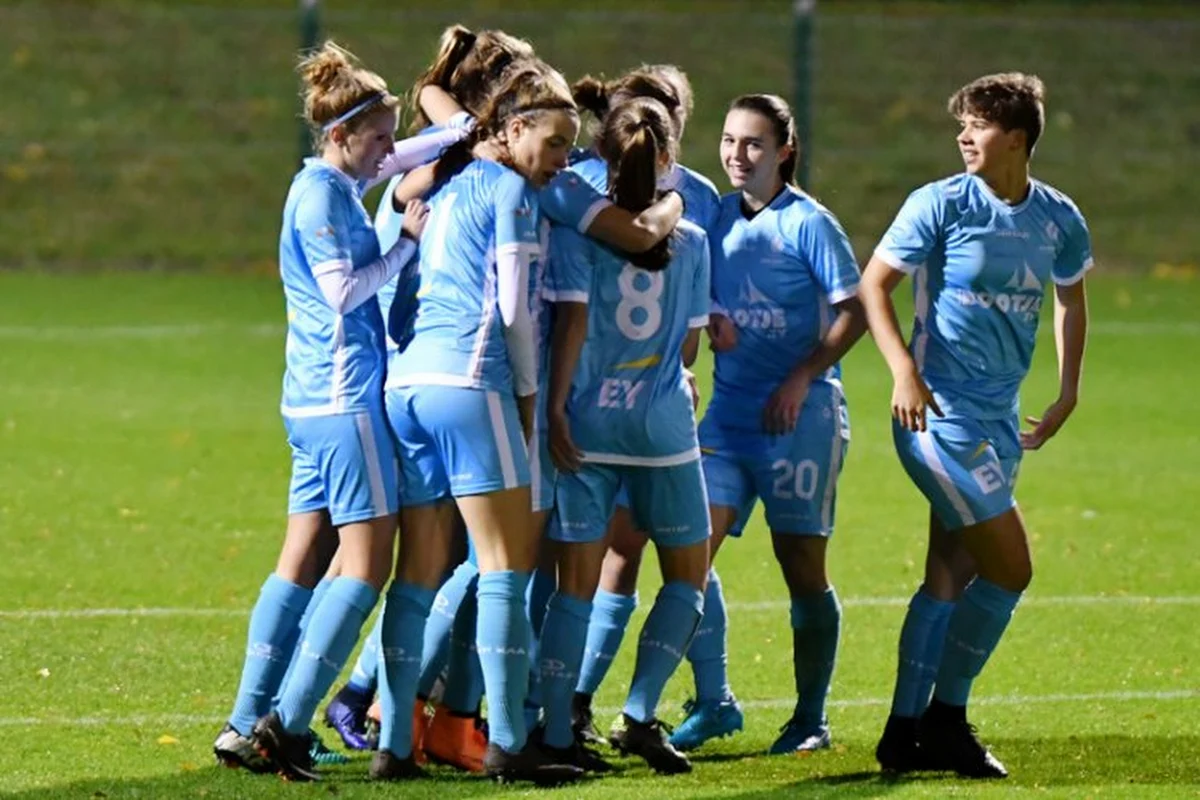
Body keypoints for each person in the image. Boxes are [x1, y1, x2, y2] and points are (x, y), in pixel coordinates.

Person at [861, 72, 1091, 779]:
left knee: (949, 575)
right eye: (961, 125)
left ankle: (903, 734)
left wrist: (1067, 391)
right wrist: (904, 370)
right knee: (1012, 568)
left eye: (978, 126)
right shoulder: (940, 204)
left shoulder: (1056, 217)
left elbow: (1071, 299)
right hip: (937, 417)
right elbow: (875, 285)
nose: (964, 136)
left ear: (1016, 139)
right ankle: (948, 720)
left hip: (996, 418)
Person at [212, 41, 428, 783]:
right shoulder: (322, 199)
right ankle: (287, 725)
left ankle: (245, 720)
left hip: (309, 401)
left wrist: (463, 136)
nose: (389, 153)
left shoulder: (329, 182)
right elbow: (343, 291)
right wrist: (407, 244)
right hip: (344, 402)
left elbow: (401, 163)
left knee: (303, 559)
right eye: (379, 139)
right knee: (366, 568)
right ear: (341, 136)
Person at [371, 60, 584, 786]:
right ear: (514, 128)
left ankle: (395, 744)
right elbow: (516, 311)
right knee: (505, 566)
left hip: (408, 386)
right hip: (471, 381)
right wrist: (529, 400)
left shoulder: (446, 182)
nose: (561, 161)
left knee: (420, 572)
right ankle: (510, 745)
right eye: (555, 143)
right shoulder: (509, 193)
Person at [536, 65, 731, 749]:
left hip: (587, 422)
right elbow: (689, 351)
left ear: (603, 158)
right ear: (670, 156)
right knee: (687, 577)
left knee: (575, 588)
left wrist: (556, 408)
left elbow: (574, 328)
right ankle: (640, 715)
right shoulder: (696, 241)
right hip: (662, 427)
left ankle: (558, 727)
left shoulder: (578, 233)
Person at [692, 94, 865, 756]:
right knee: (688, 553)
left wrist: (804, 376)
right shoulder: (714, 218)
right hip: (730, 415)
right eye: (731, 141)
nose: (738, 154)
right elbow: (694, 280)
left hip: (801, 419)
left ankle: (810, 719)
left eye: (754, 144)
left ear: (785, 151)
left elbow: (855, 310)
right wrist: (709, 311)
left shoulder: (811, 224)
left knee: (800, 568)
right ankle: (714, 702)